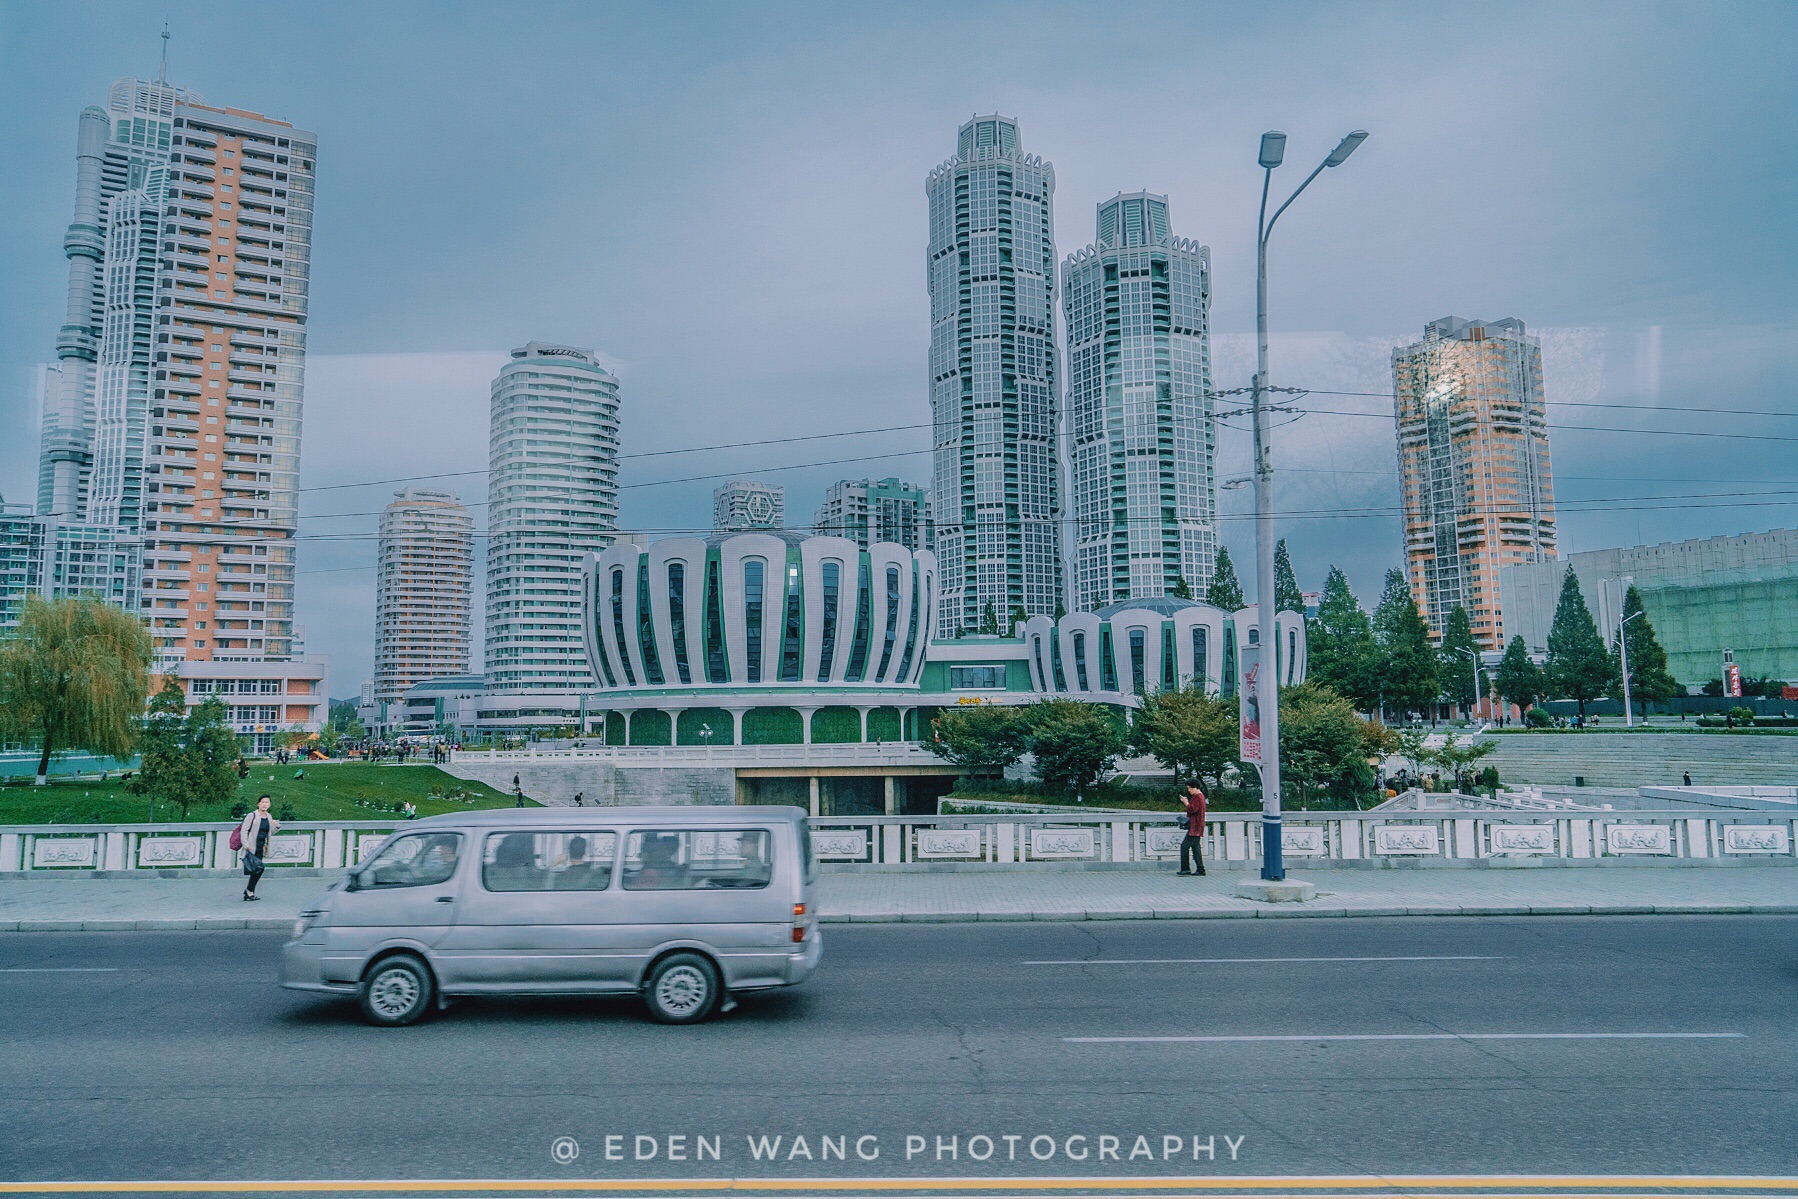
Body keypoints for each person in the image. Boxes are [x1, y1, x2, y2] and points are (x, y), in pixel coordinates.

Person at [238, 795, 279, 901]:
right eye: (263, 802)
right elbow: (244, 830)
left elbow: (270, 832)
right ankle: (249, 891)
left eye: (267, 802)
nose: (264, 804)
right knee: (259, 868)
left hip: (262, 847)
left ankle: (249, 891)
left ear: (269, 805)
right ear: (258, 803)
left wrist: (277, 826)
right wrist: (245, 844)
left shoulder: (269, 816)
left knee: (257, 869)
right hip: (252, 847)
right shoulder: (252, 816)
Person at [1177, 785, 1207, 877]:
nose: (1188, 790)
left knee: (1184, 846)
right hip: (1198, 826)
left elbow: (1192, 809)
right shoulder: (1201, 796)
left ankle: (1185, 869)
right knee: (1195, 848)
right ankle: (1200, 869)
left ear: (1195, 787)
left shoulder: (1198, 796)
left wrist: (1186, 803)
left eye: (1189, 788)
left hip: (1195, 827)